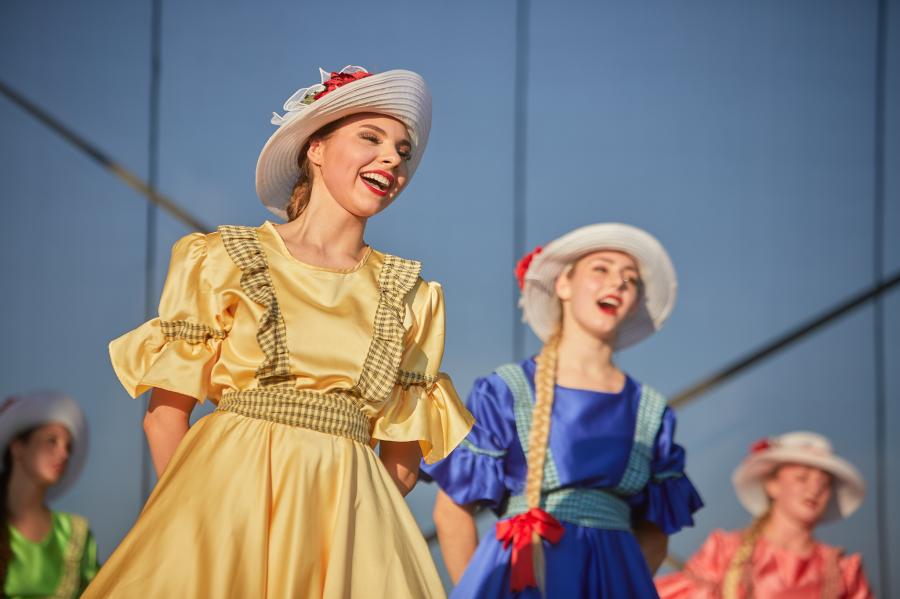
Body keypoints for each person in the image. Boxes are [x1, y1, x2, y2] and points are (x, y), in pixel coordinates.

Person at [83, 65, 473, 598]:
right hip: (222, 507)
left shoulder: (412, 295)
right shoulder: (222, 258)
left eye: (403, 152)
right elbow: (165, 415)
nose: (393, 159)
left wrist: (351, 527)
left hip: (343, 528)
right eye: (371, 138)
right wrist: (200, 522)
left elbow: (401, 461)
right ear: (316, 148)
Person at [422, 223, 703, 597]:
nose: (618, 283)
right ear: (563, 285)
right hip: (526, 578)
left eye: (630, 279)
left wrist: (621, 579)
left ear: (635, 301)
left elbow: (656, 532)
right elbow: (452, 511)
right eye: (601, 269)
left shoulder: (651, 412)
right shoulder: (507, 391)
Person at [655, 431, 873, 598]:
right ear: (772, 485)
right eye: (802, 478)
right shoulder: (724, 552)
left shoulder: (842, 571)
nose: (814, 490)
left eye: (824, 484)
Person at [0, 391, 98, 598]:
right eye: (52, 441)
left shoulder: (76, 534)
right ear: (17, 447)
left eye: (68, 447)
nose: (64, 454)